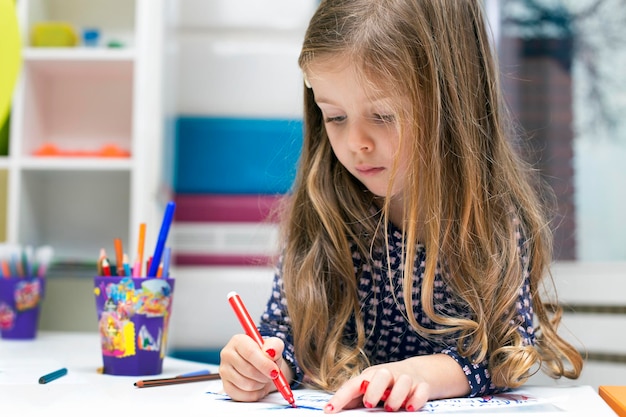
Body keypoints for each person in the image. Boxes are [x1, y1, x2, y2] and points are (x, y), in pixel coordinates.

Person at [218, 0, 583, 413]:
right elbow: (282, 337)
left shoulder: (494, 218)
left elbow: (505, 354)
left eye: (383, 115)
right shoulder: (324, 207)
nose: (356, 142)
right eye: (334, 117)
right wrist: (260, 364)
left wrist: (421, 375)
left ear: (451, 104)